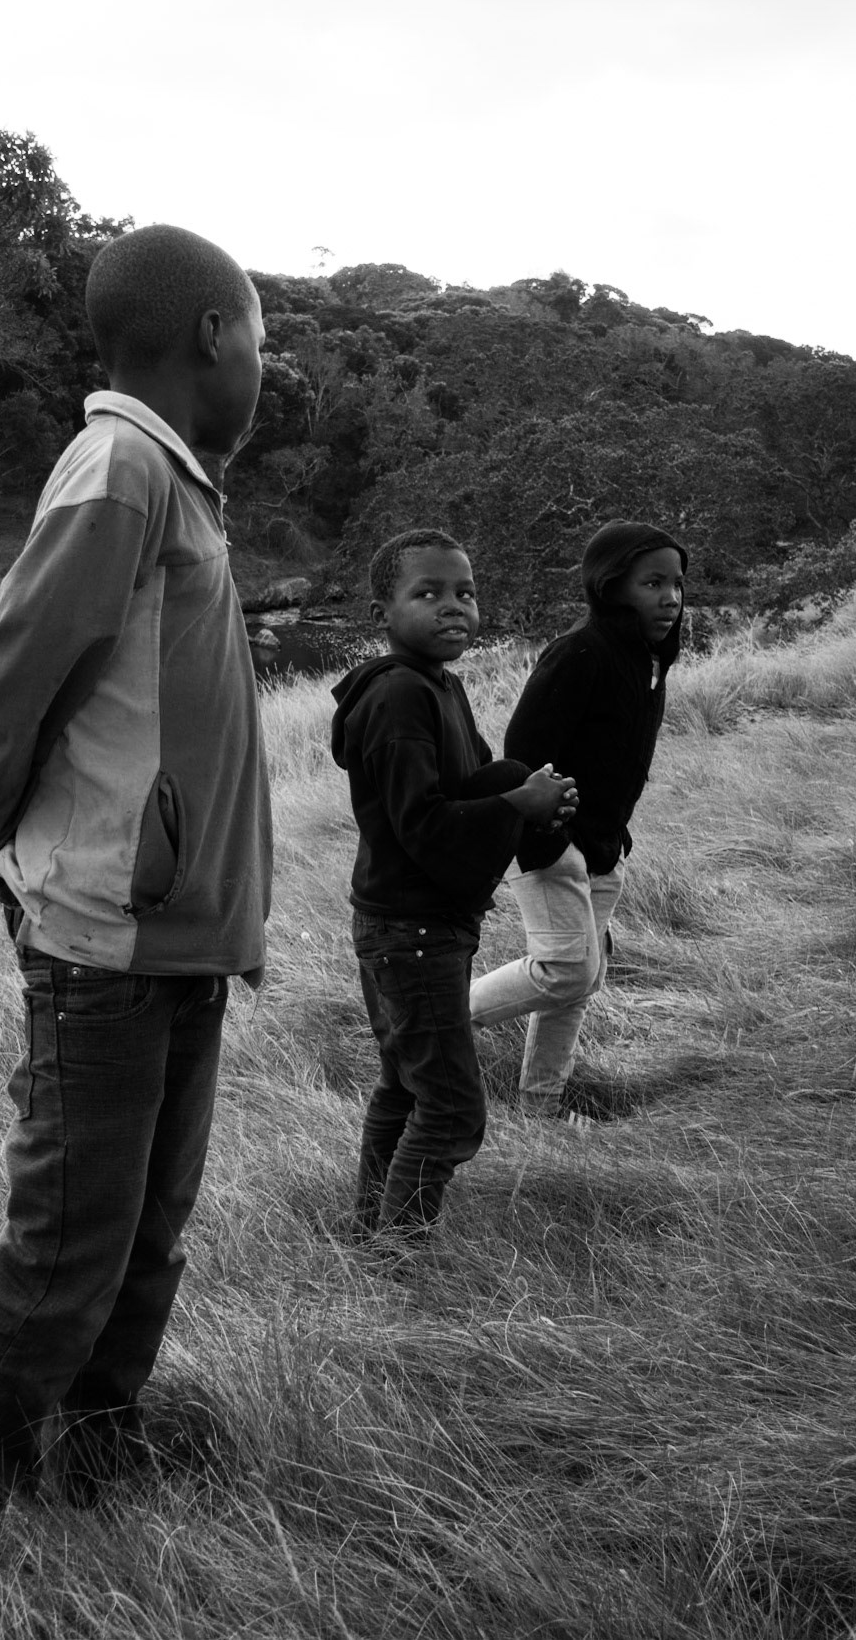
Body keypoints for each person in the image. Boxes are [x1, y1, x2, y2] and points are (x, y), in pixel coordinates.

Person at [0, 224, 272, 1514]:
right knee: (67, 1245)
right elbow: (13, 669)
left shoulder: (174, 477)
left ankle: (97, 1449)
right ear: (215, 335)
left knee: (146, 1236)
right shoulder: (120, 469)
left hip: (178, 938)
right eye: (262, 341)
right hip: (107, 936)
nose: (263, 368)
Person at [330, 529, 577, 1239]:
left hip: (411, 923)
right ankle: (396, 1255)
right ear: (384, 610)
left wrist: (520, 792)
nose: (452, 608)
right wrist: (512, 805)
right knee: (448, 1108)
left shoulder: (440, 685)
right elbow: (423, 824)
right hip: (410, 931)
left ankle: (369, 1235)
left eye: (464, 593)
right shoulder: (399, 697)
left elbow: (463, 787)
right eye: (428, 593)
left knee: (405, 1088)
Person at [470, 519, 687, 1123]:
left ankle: (540, 1109)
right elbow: (522, 751)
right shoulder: (582, 651)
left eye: (675, 583)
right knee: (566, 971)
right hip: (552, 845)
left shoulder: (647, 658)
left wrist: (609, 838)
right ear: (611, 585)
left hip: (603, 847)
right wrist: (555, 837)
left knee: (580, 984)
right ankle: (432, 1025)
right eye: (652, 583)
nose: (669, 597)